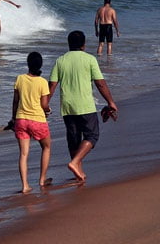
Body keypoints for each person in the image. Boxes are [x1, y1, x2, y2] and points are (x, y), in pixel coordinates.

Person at [48, 31, 118, 183]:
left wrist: (45, 105)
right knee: (92, 136)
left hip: (67, 107)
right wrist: (110, 102)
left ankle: (78, 172)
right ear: (83, 45)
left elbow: (52, 85)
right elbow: (100, 83)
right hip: (85, 105)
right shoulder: (90, 59)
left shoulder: (60, 61)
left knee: (73, 140)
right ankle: (74, 164)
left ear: (69, 44)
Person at [10, 52, 53, 193]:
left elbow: (15, 102)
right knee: (46, 147)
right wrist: (49, 110)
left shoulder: (20, 79)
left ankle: (25, 186)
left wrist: (13, 118)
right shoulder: (42, 82)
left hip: (21, 120)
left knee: (23, 154)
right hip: (37, 120)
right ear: (40, 65)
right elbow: (44, 105)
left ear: (28, 64)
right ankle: (42, 179)